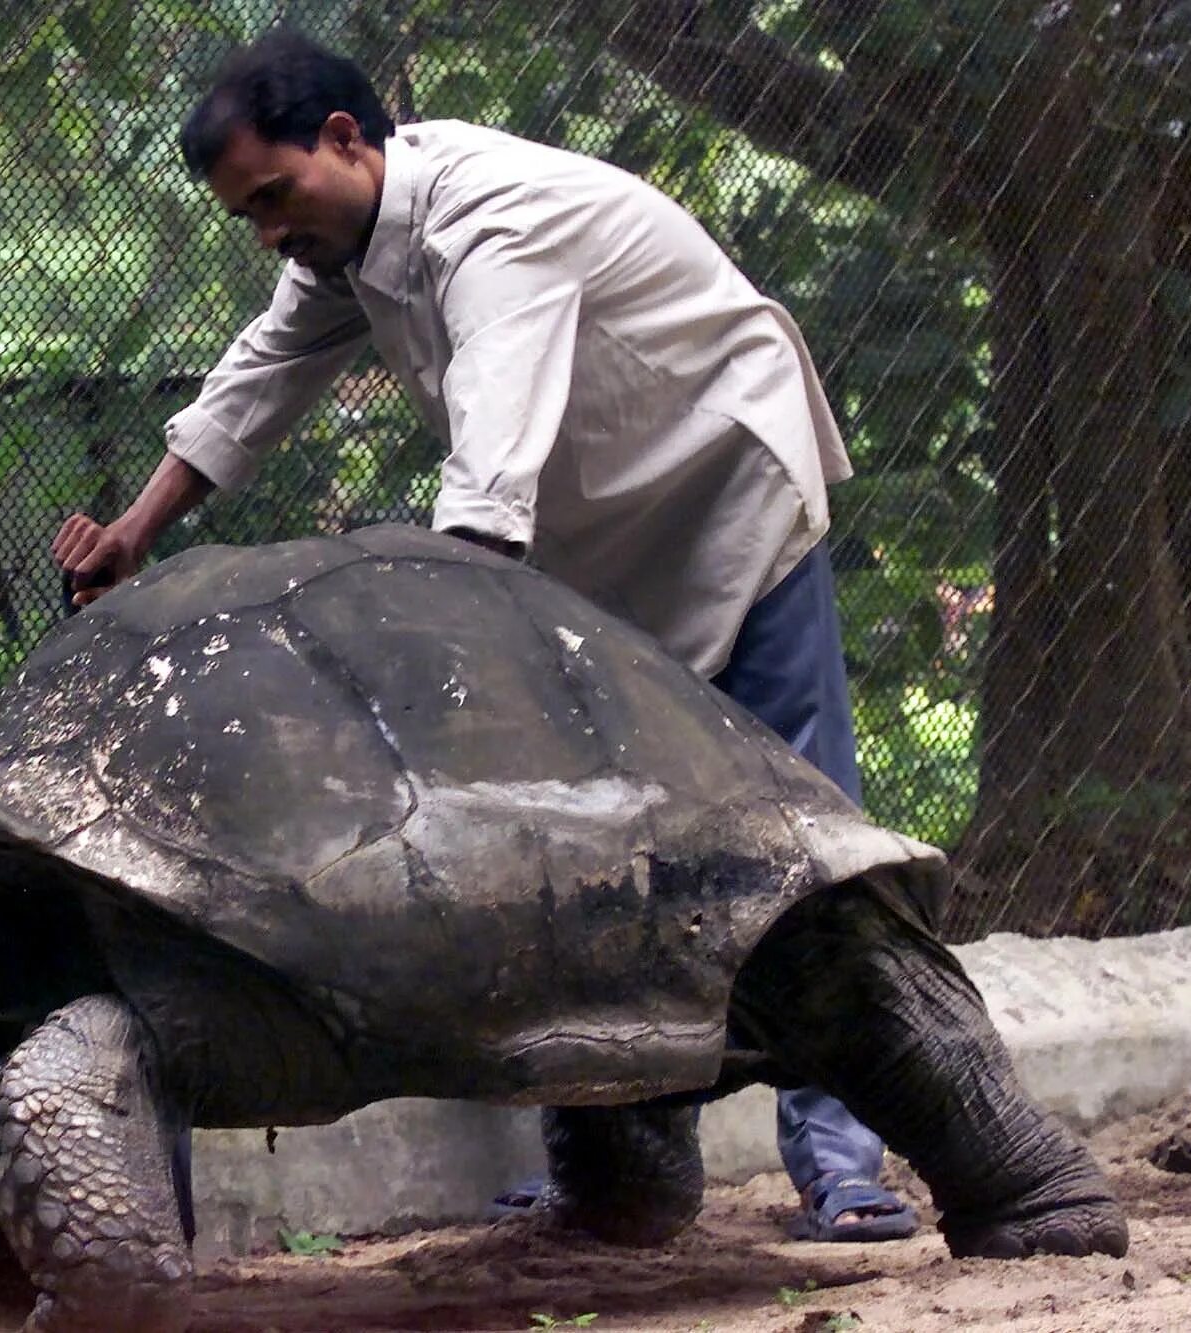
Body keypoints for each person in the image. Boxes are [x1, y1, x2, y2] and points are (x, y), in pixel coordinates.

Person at [51, 28, 915, 1245]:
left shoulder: (495, 225)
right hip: (594, 552)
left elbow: (488, 478)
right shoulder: (347, 245)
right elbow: (258, 378)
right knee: (599, 854)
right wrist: (134, 531)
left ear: (345, 139)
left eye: (272, 197)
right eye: (245, 213)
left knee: (806, 843)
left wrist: (431, 669)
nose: (265, 233)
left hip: (725, 499)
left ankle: (845, 1164)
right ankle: (613, 1169)